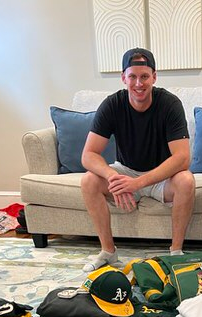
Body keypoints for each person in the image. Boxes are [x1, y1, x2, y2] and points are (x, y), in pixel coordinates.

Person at [81, 47, 195, 272]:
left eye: (144, 76)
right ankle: (108, 252)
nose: (138, 83)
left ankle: (175, 252)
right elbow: (88, 154)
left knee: (186, 180)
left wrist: (138, 183)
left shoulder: (169, 104)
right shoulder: (112, 104)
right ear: (123, 78)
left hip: (162, 176)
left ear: (154, 77)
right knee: (89, 180)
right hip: (126, 171)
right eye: (132, 76)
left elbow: (182, 158)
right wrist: (113, 177)